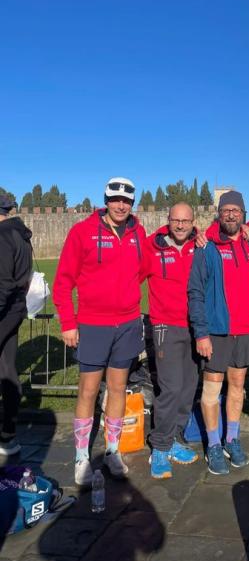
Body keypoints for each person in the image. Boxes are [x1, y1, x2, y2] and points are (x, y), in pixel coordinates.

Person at [53, 177, 146, 486]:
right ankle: (81, 456)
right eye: (115, 199)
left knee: (118, 388)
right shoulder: (82, 232)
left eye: (126, 201)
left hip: (127, 324)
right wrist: (68, 323)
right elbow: (63, 282)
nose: (121, 205)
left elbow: (143, 268)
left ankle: (112, 450)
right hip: (93, 325)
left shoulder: (138, 232)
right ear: (106, 201)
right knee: (88, 390)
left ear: (132, 203)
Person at [188, 191, 249, 475]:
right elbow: (195, 292)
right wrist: (201, 333)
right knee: (211, 389)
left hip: (244, 329)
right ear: (218, 214)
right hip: (217, 331)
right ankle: (212, 443)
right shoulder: (206, 246)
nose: (231, 215)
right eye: (226, 210)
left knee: (237, 386)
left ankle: (231, 439)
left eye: (236, 210)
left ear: (243, 214)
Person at [143, 202, 199, 479]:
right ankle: (160, 446)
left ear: (193, 222)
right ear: (168, 220)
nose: (180, 225)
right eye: (176, 220)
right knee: (171, 388)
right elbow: (130, 277)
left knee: (188, 388)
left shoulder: (200, 246)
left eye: (185, 221)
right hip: (166, 325)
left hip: (195, 327)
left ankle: (175, 438)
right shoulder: (152, 248)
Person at [0, 196, 32, 456]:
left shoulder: (2, 236)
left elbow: (2, 284)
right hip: (16, 308)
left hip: (4, 309)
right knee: (7, 368)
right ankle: (8, 436)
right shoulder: (20, 235)